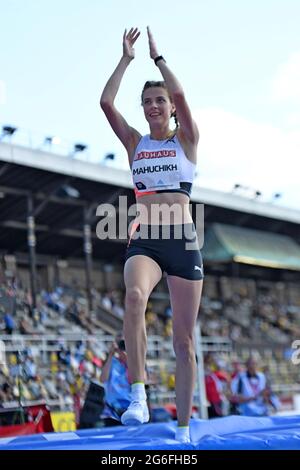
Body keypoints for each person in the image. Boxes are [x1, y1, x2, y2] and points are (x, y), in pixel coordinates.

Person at [100, 26, 203, 443]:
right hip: (146, 240)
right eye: (147, 102)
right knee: (135, 296)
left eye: (159, 100)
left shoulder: (187, 141)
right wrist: (126, 58)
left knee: (184, 343)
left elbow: (181, 97)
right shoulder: (135, 143)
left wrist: (158, 59)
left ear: (171, 108)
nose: (153, 105)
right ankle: (138, 394)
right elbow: (106, 102)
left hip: (182, 242)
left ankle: (182, 430)